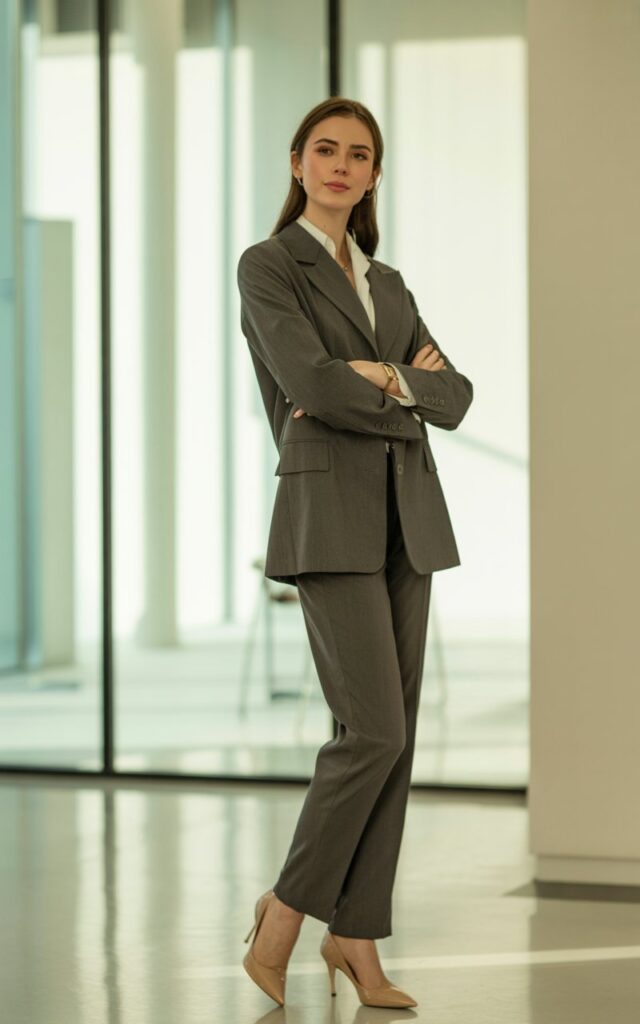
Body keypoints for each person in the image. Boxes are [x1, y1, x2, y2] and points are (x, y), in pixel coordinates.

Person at [236, 97, 473, 1009]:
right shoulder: (270, 266)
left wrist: (374, 379)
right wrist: (398, 383)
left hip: (407, 517)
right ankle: (288, 912)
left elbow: (455, 397)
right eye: (325, 150)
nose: (340, 165)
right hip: (328, 517)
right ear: (298, 163)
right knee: (369, 729)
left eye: (359, 154)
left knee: (396, 739)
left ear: (375, 175)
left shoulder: (394, 284)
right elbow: (307, 385)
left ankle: (357, 942)